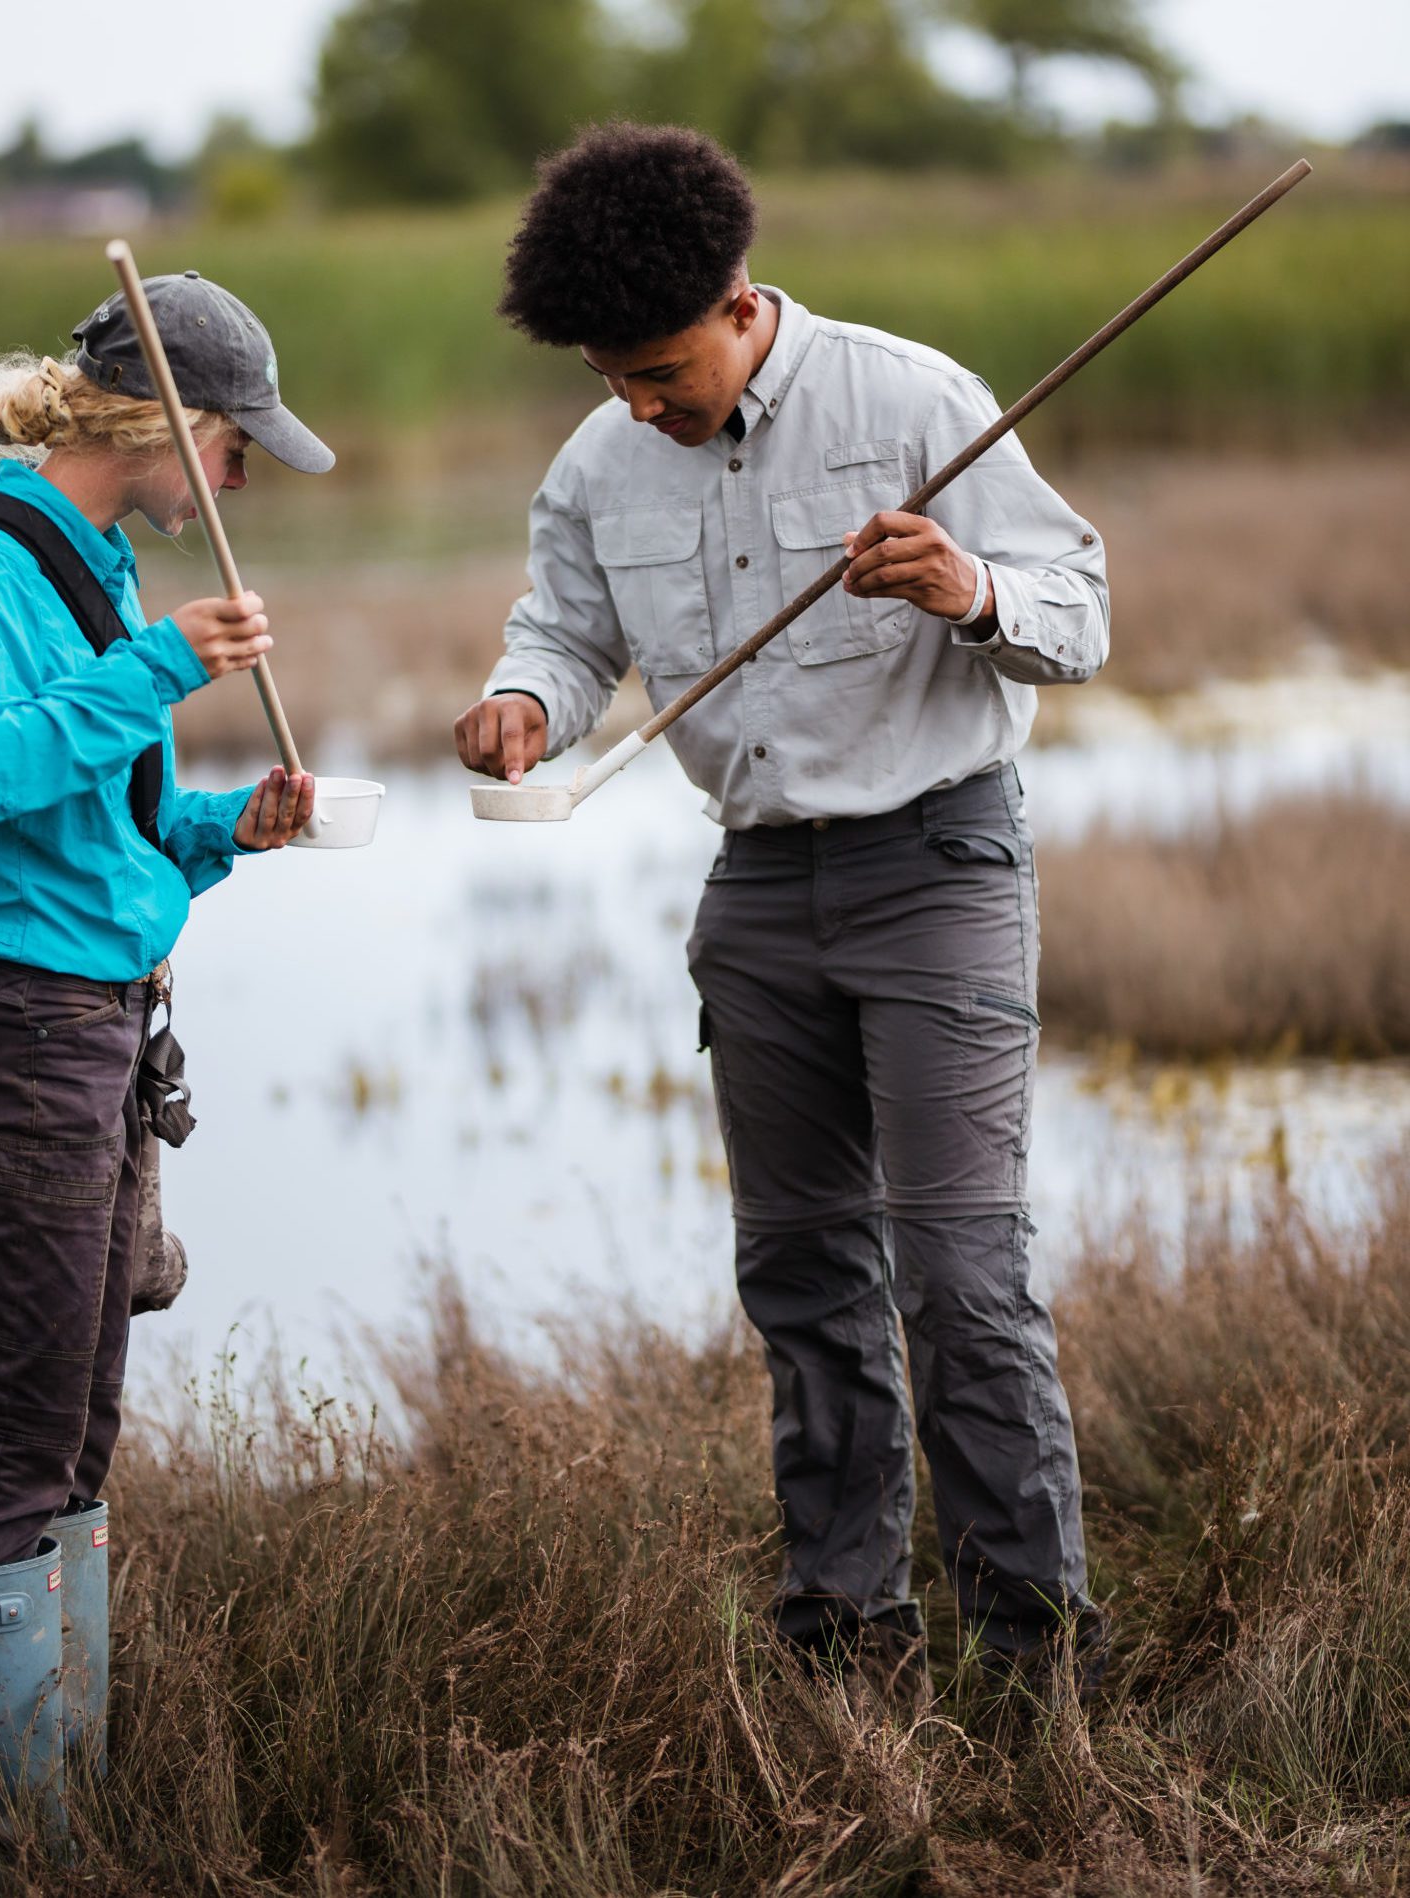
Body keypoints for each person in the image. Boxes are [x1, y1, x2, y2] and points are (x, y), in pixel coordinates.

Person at [455, 123, 1110, 1692]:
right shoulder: (601, 459)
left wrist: (970, 590)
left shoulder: (915, 400)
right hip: (754, 891)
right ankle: (847, 1635)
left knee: (960, 1277)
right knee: (804, 1275)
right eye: (610, 378)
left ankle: (1035, 1660)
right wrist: (522, 699)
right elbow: (562, 625)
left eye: (661, 369)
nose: (638, 405)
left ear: (741, 303)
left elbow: (1079, 611)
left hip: (938, 870)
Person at [0, 271, 329, 1887]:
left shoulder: (101, 561)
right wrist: (153, 669)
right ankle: (6, 1859)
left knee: (77, 1442)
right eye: (233, 445)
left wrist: (227, 828)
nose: (239, 480)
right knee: (10, 1456)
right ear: (160, 425)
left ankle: (61, 1825)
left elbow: (94, 842)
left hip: (91, 1032)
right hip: (7, 1043)